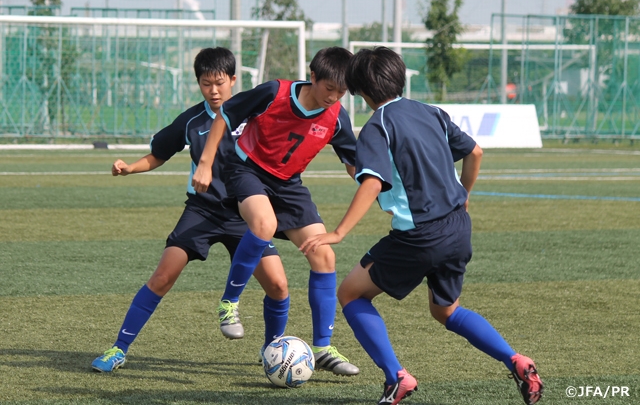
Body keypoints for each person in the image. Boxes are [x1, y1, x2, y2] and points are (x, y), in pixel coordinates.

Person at [300, 47, 544, 405]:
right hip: (459, 227)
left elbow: (371, 183)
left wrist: (338, 233)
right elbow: (475, 152)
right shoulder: (432, 112)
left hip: (421, 236)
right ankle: (516, 360)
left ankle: (396, 377)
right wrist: (465, 193)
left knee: (351, 294)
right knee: (445, 310)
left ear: (358, 89)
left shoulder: (377, 126)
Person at [91, 47, 289, 373]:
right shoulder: (192, 120)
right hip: (202, 210)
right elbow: (159, 153)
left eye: (220, 83)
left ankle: (273, 351)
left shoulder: (253, 115)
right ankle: (119, 348)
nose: (213, 91)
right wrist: (130, 168)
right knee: (162, 277)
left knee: (278, 285)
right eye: (206, 83)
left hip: (246, 214)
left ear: (234, 80)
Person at [191, 47, 360, 376]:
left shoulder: (338, 116)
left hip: (289, 185)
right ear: (313, 77)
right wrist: (206, 163)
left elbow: (353, 163)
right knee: (264, 224)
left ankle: (323, 347)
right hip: (246, 170)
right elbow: (225, 115)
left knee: (323, 255)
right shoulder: (274, 92)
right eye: (329, 89)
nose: (334, 97)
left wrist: (381, 188)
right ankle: (229, 304)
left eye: (341, 92)